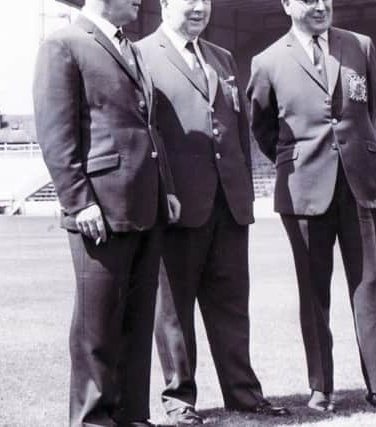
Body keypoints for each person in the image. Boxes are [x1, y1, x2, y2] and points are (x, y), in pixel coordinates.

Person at [136, 0, 290, 424]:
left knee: (232, 307)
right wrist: (163, 192)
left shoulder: (222, 57)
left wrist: (243, 191)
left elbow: (239, 129)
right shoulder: (142, 55)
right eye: (190, 0)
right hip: (178, 206)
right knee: (174, 313)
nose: (200, 7)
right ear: (166, 5)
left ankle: (243, 394)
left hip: (229, 204)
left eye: (205, 0)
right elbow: (146, 131)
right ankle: (180, 401)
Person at [247, 0, 376, 414]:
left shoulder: (360, 45)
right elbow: (262, 127)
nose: (320, 6)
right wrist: (299, 160)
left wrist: (348, 152)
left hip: (359, 182)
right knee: (313, 293)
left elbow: (369, 110)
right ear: (286, 5)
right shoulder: (267, 62)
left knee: (370, 287)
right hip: (303, 190)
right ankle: (321, 387)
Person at [32, 0, 180, 425]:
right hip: (100, 207)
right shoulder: (63, 44)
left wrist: (165, 188)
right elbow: (55, 132)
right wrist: (78, 201)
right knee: (97, 326)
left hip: (146, 205)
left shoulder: (129, 48)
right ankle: (93, 419)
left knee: (136, 320)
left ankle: (133, 415)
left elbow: (148, 126)